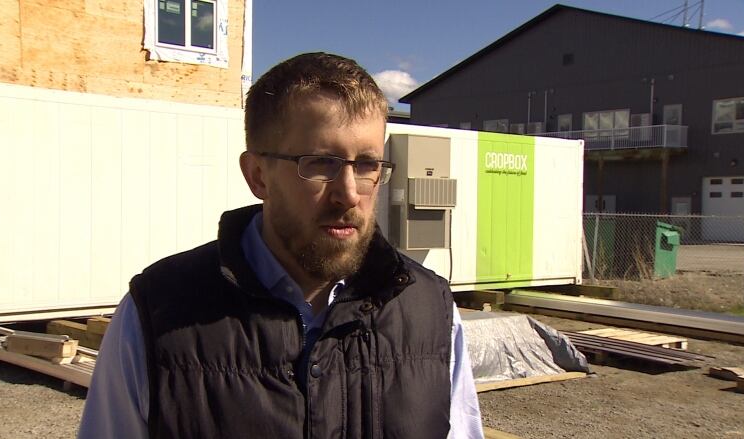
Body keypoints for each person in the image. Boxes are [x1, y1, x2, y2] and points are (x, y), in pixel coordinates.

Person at [79, 52, 482, 438]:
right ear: (258, 175)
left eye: (366, 165)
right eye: (320, 163)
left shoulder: (432, 311)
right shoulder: (157, 313)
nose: (348, 194)